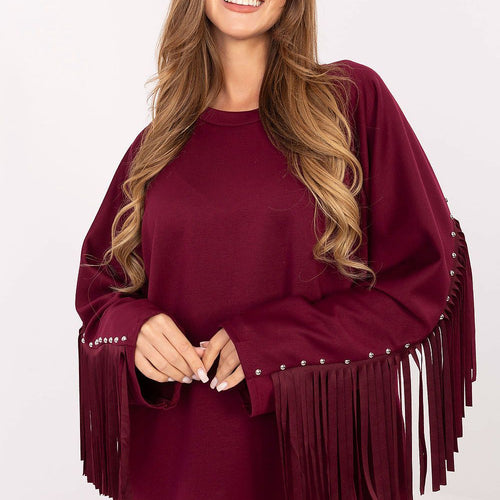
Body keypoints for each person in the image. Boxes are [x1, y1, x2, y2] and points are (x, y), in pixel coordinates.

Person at [75, 1, 477, 499]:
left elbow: (418, 282)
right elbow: (99, 291)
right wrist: (136, 330)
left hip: (316, 461)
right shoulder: (157, 146)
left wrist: (274, 344)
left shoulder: (351, 101)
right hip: (177, 468)